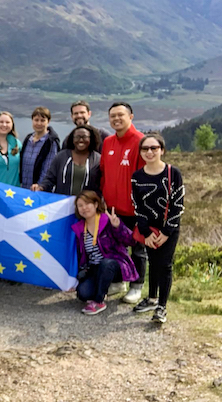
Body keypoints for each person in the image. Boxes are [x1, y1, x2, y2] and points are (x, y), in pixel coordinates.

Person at [131, 133, 185, 324]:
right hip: (149, 229)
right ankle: (152, 298)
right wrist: (146, 233)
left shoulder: (173, 173)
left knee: (165, 265)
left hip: (169, 229)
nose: (150, 152)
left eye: (154, 148)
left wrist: (166, 232)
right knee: (153, 263)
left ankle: (162, 307)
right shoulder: (137, 177)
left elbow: (178, 205)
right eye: (145, 149)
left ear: (162, 150)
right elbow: (138, 207)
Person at [100, 102, 147, 303]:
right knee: (116, 247)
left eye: (121, 115)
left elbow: (146, 177)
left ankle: (137, 285)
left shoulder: (141, 141)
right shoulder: (108, 142)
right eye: (113, 116)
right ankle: (119, 282)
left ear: (131, 116)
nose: (116, 119)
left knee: (137, 248)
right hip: (112, 209)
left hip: (135, 209)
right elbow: (103, 173)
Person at [71, 191, 139, 315]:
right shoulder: (79, 228)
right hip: (94, 268)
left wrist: (118, 227)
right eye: (80, 205)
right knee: (83, 293)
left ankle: (99, 301)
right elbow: (79, 256)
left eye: (87, 204)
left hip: (114, 264)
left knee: (106, 264)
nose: (84, 208)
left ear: (96, 204)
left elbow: (131, 241)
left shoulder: (107, 220)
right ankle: (107, 286)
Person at [35, 125, 101, 195]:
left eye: (84, 137)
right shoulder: (61, 156)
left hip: (86, 204)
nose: (81, 140)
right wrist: (40, 187)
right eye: (77, 137)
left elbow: (101, 185)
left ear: (91, 138)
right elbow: (50, 179)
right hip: (63, 203)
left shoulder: (98, 160)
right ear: (72, 139)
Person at [21, 106, 60, 190]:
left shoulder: (51, 142)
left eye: (42, 120)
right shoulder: (28, 139)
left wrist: (40, 186)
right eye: (36, 120)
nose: (39, 123)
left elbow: (48, 169)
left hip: (39, 190)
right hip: (24, 188)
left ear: (48, 121)